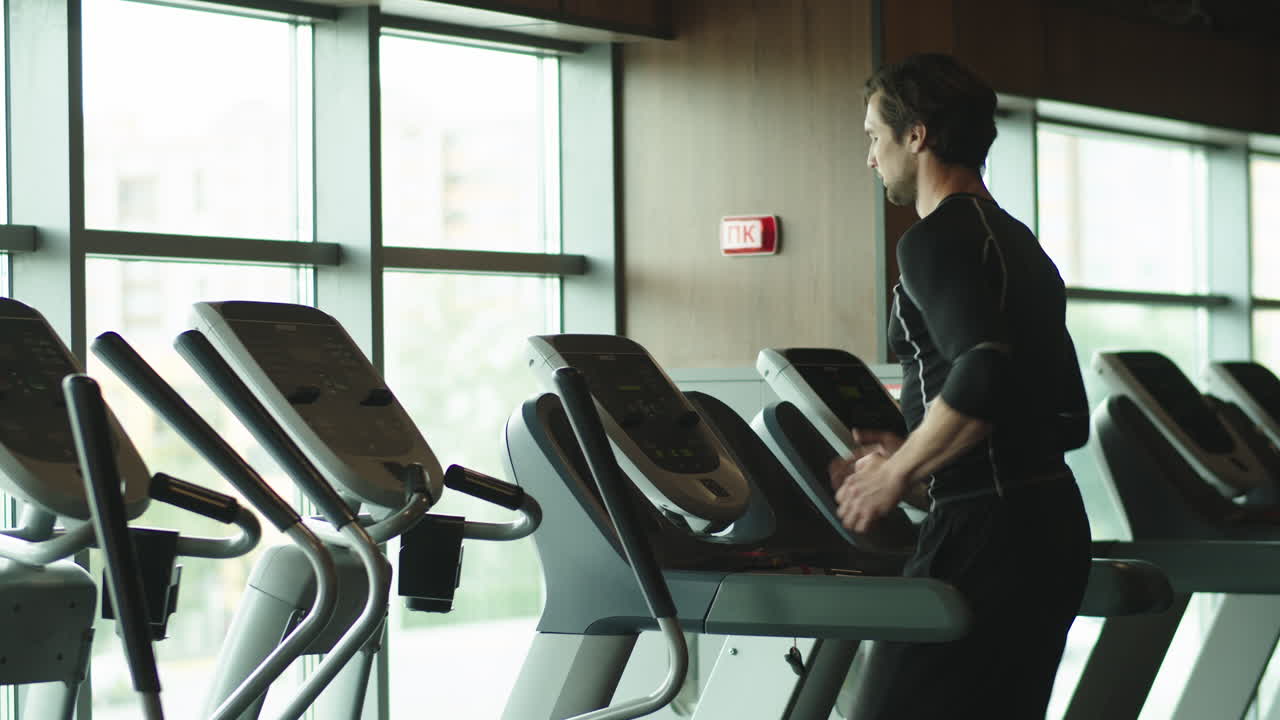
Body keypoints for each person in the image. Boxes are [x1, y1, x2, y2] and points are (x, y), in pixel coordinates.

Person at [829, 53, 1092, 718]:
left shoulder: (934, 240)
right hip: (1051, 526)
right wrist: (917, 452)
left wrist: (895, 476)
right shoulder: (1019, 243)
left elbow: (983, 375)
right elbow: (1065, 417)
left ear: (916, 134)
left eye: (873, 136)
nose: (870, 157)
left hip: (984, 532)